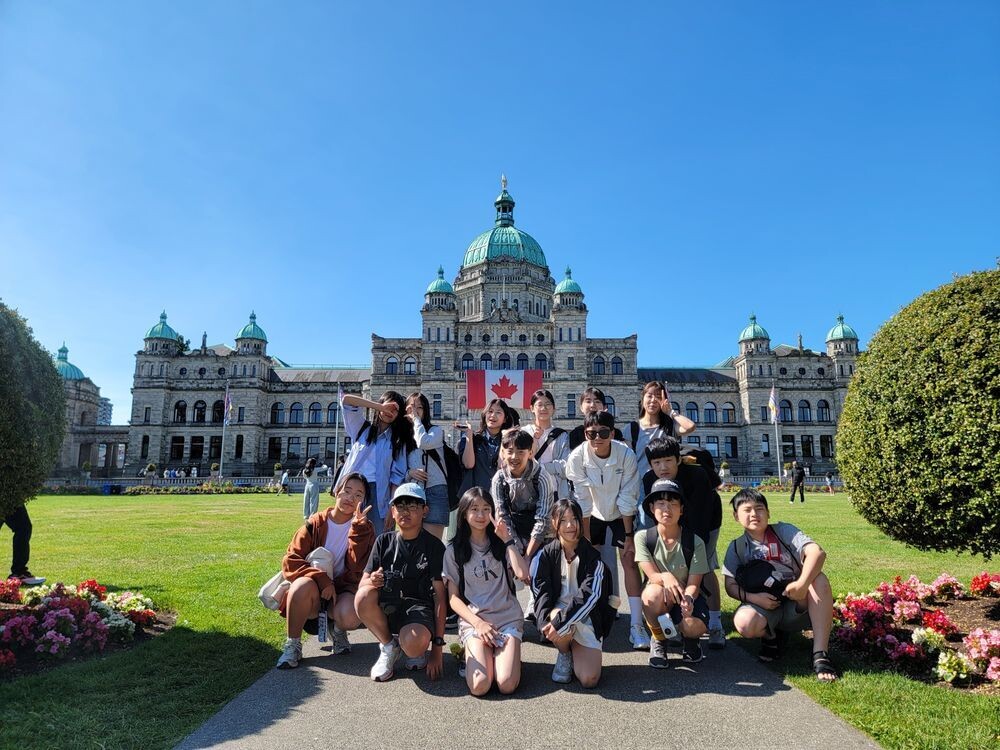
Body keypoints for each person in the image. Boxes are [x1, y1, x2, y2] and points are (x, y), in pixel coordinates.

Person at [721, 488, 837, 681]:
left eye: (759, 509)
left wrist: (802, 584)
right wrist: (754, 598)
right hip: (764, 606)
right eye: (747, 510)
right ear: (736, 516)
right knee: (744, 622)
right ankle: (771, 636)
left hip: (798, 604)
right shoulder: (737, 547)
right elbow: (730, 585)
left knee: (819, 579)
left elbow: (817, 553)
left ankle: (820, 654)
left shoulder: (783, 531)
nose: (754, 514)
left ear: (768, 513)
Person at [564, 411, 647, 650]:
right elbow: (582, 500)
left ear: (612, 433)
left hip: (620, 514)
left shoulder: (625, 454)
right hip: (593, 514)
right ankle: (592, 616)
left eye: (602, 433)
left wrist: (629, 536)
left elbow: (629, 495)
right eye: (591, 433)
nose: (597, 438)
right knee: (590, 563)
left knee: (630, 562)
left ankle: (636, 625)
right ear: (585, 434)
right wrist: (587, 539)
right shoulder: (577, 457)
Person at [276, 472, 376, 669]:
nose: (350, 498)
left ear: (364, 501)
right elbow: (291, 560)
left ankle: (337, 630)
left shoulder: (366, 528)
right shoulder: (315, 523)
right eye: (346, 491)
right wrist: (322, 580)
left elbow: (358, 569)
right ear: (336, 491)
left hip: (342, 593)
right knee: (300, 586)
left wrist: (357, 532)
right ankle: (293, 645)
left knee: (350, 614)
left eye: (358, 495)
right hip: (314, 593)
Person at [355, 483, 446, 682]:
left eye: (413, 506)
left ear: (425, 511)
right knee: (363, 596)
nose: (405, 512)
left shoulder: (434, 546)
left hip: (419, 610)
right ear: (392, 511)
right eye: (400, 506)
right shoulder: (383, 542)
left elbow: (440, 597)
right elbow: (363, 583)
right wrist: (372, 580)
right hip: (389, 607)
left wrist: (437, 648)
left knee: (413, 645)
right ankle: (389, 645)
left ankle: (413, 647)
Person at [444, 488, 529, 696]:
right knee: (480, 686)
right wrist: (478, 623)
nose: (481, 515)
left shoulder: (501, 542)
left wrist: (507, 539)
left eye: (486, 509)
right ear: (464, 513)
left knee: (506, 684)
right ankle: (475, 654)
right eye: (475, 509)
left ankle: (505, 656)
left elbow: (523, 573)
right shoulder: (454, 550)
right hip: (476, 620)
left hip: (507, 617)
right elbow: (453, 599)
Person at [643, 437, 726, 649]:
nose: (663, 467)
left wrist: (692, 555)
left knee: (704, 567)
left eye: (668, 461)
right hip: (671, 523)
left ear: (678, 460)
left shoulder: (697, 475)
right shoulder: (649, 479)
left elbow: (700, 520)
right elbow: (656, 516)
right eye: (657, 463)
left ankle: (715, 623)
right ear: (651, 464)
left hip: (705, 521)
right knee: (666, 568)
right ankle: (671, 619)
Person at [531, 499, 614, 688]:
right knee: (555, 616)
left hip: (587, 617)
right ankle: (565, 652)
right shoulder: (546, 554)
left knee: (589, 679)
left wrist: (561, 622)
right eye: (563, 520)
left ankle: (575, 646)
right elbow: (540, 591)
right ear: (554, 522)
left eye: (574, 519)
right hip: (559, 616)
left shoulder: (593, 558)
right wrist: (544, 623)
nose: (570, 525)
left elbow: (589, 598)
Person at [635, 479, 710, 668]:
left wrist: (689, 600)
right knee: (651, 594)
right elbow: (652, 575)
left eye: (673, 504)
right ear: (652, 508)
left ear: (681, 509)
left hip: (686, 595)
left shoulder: (695, 541)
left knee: (692, 625)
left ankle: (691, 642)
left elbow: (695, 582)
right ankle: (659, 639)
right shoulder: (644, 537)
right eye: (660, 503)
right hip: (662, 596)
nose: (666, 509)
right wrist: (666, 577)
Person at [340, 391, 414, 532]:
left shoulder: (397, 440)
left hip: (378, 494)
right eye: (388, 406)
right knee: (347, 538)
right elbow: (347, 400)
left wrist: (391, 507)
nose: (389, 412)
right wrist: (378, 406)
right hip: (351, 489)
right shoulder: (361, 428)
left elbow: (396, 477)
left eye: (395, 410)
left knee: (378, 539)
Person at [624, 381, 696, 509]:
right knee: (645, 526)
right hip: (640, 487)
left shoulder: (669, 427)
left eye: (658, 396)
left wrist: (671, 412)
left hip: (667, 485)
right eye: (649, 395)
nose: (653, 400)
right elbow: (628, 462)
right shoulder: (631, 429)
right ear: (643, 398)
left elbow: (690, 427)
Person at [490, 429, 555, 561]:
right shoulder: (499, 478)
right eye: (510, 451)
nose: (514, 457)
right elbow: (502, 516)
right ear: (503, 453)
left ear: (530, 453)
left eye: (520, 452)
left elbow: (543, 519)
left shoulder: (542, 476)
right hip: (513, 536)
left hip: (543, 538)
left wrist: (527, 555)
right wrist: (517, 551)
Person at [404, 392, 450, 539]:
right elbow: (396, 467)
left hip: (436, 490)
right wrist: (409, 473)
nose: (415, 411)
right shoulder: (403, 437)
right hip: (414, 491)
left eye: (419, 408)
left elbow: (423, 442)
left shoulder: (435, 431)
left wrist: (416, 419)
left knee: (433, 544)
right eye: (411, 408)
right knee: (413, 541)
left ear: (426, 411)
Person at [458, 398, 516, 492]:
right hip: (475, 496)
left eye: (498, 412)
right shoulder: (471, 438)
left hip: (500, 494)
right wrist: (469, 434)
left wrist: (505, 438)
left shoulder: (510, 441)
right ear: (485, 415)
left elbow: (502, 465)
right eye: (490, 411)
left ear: (505, 419)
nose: (493, 415)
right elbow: (469, 464)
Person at [522, 388, 570, 501]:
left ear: (553, 408)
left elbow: (566, 466)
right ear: (532, 408)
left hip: (555, 493)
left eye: (548, 404)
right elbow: (521, 463)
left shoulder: (561, 435)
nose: (544, 408)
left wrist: (541, 468)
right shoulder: (524, 432)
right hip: (528, 494)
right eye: (539, 405)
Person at [2, 503, 44, 585]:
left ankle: (19, 573)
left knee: (23, 527)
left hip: (11, 496)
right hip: (7, 494)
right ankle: (19, 572)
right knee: (23, 527)